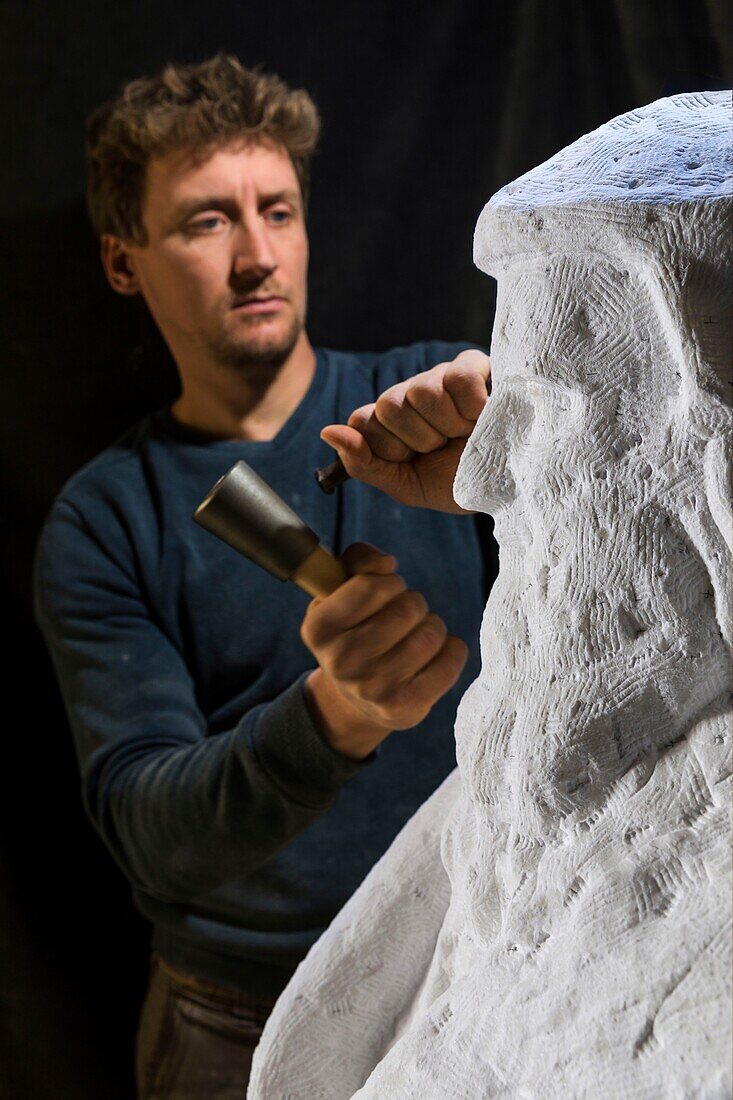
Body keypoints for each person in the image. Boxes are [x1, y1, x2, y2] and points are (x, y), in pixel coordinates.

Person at [33, 53, 492, 1097]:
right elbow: (153, 835)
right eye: (206, 221)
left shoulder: (431, 413)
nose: (256, 256)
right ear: (122, 261)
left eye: (276, 210)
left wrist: (539, 442)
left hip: (474, 969)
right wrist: (335, 714)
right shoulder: (105, 520)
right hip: (237, 1019)